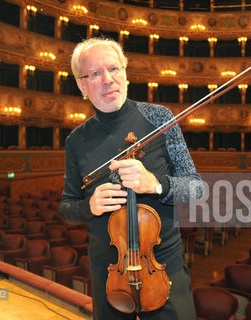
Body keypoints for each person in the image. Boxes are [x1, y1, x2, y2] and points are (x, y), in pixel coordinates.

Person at [59, 37, 204, 320]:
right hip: (109, 274)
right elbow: (67, 208)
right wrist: (89, 206)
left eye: (114, 69)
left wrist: (156, 184)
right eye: (96, 73)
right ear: (81, 85)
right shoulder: (76, 140)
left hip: (162, 267)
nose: (108, 80)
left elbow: (196, 189)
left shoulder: (159, 118)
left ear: (125, 72)